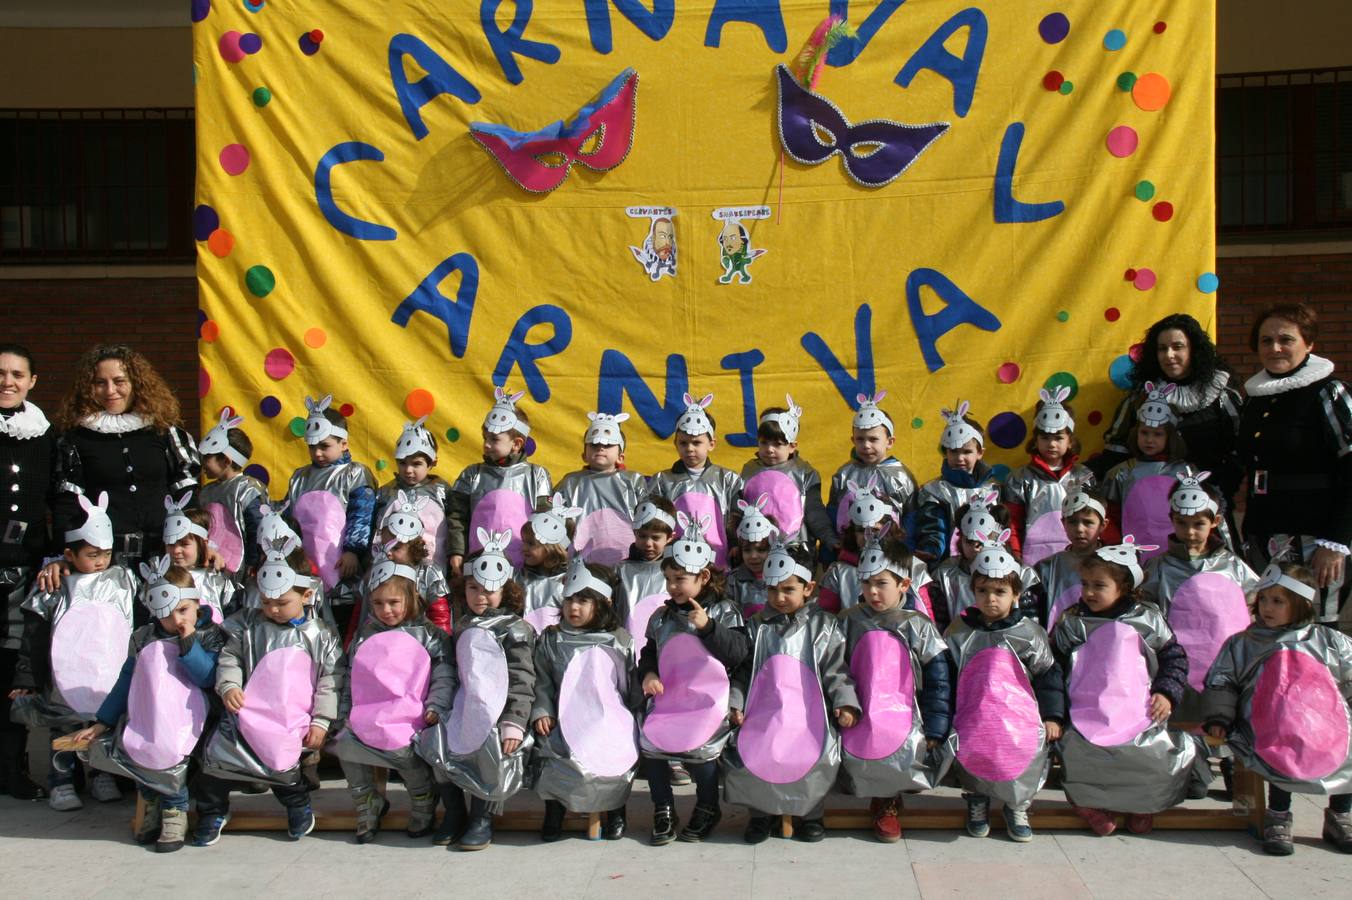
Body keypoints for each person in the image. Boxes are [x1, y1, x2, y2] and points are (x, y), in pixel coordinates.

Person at [194, 539, 343, 846]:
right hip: (245, 714)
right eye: (265, 601)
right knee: (215, 765)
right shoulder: (248, 626)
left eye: (281, 602)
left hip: (288, 719)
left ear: (306, 594)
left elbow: (331, 679)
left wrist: (322, 721)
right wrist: (230, 685)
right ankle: (212, 812)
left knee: (282, 768)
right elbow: (230, 657)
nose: (272, 609)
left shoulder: (321, 635)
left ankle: (298, 805)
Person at [73, 558, 225, 852]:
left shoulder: (210, 635)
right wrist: (102, 721)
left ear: (196, 604)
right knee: (141, 749)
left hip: (193, 718)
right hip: (149, 713)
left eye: (183, 610)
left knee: (172, 755)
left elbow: (207, 677)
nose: (176, 620)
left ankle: (174, 810)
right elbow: (127, 680)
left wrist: (190, 642)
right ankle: (152, 803)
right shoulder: (143, 637)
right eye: (166, 615)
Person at [1054, 538, 1202, 836]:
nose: (1089, 592)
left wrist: (1165, 692)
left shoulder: (1147, 619)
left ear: (1123, 586)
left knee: (1149, 754)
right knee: (1076, 752)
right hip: (1085, 710)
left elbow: (1174, 659)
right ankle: (1088, 805)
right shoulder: (1073, 621)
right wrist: (1055, 711)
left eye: (1099, 585)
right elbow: (1054, 665)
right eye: (1085, 584)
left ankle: (1142, 804)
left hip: (1139, 709)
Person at [1203, 561, 1352, 855]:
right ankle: (1279, 813)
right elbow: (1222, 680)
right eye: (1264, 599)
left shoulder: (1328, 641)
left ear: (1300, 604)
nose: (1268, 607)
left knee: (1348, 747)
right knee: (1281, 749)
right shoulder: (1243, 643)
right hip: (1267, 723)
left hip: (1324, 722)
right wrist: (1219, 715)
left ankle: (1340, 813)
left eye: (1278, 601)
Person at [8, 492, 136, 811]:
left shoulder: (121, 579)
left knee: (101, 722)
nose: (101, 561)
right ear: (70, 554)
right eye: (93, 554)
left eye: (106, 553)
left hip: (105, 669)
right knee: (64, 724)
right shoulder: (54, 585)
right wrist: (28, 676)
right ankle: (62, 781)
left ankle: (101, 774)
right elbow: (34, 635)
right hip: (65, 672)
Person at [724, 542, 858, 843]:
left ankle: (810, 813)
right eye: (773, 590)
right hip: (764, 712)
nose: (779, 598)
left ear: (808, 587)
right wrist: (736, 703)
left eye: (788, 590)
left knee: (813, 759)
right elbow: (745, 672)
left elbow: (836, 670)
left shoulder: (823, 626)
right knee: (757, 757)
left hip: (808, 715)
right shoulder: (757, 626)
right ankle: (760, 814)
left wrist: (845, 702)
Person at [43, 344, 200, 589]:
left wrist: (198, 541)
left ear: (136, 383)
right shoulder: (76, 438)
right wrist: (61, 555)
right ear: (88, 387)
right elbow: (67, 502)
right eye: (99, 383)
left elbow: (187, 491)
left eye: (119, 381)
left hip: (163, 556)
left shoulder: (162, 430)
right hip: (104, 562)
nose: (110, 390)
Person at [1237, 302, 1352, 631]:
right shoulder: (1255, 399)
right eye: (1265, 340)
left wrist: (1335, 541)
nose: (1274, 348)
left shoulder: (1329, 392)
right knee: (1270, 626)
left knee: (1312, 629)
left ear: (1309, 344)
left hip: (1317, 537)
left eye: (1286, 339)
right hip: (1265, 532)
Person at [944, 532, 1065, 842]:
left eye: (1000, 591)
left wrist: (1052, 715)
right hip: (975, 714)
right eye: (983, 591)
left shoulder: (1029, 633)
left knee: (1021, 758)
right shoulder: (958, 631)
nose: (991, 599)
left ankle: (1017, 805)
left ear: (1016, 594)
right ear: (972, 591)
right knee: (975, 753)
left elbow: (1048, 675)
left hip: (1019, 717)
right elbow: (945, 675)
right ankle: (977, 800)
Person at [637, 516, 747, 845]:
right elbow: (649, 653)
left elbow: (739, 655)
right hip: (670, 699)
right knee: (654, 747)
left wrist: (709, 627)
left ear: (704, 576)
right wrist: (649, 673)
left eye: (680, 579)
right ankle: (663, 808)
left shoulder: (726, 612)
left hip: (709, 703)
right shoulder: (662, 616)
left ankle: (707, 806)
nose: (672, 586)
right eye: (669, 579)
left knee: (701, 753)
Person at [422, 532, 534, 850]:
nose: (480, 595)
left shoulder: (515, 629)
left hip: (499, 714)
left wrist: (514, 720)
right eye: (473, 587)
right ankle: (455, 812)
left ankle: (481, 817)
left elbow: (523, 678)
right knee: (438, 746)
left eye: (489, 589)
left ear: (506, 589)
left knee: (488, 754)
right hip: (464, 705)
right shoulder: (463, 625)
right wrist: (441, 706)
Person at [838, 531, 952, 843]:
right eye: (866, 583)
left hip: (903, 714)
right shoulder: (849, 620)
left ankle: (887, 803)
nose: (873, 592)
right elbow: (833, 667)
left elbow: (938, 680)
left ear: (903, 584)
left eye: (881, 584)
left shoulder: (917, 625)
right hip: (858, 708)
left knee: (894, 754)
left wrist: (936, 727)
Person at [328, 560, 450, 844]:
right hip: (368, 716)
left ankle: (423, 800)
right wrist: (344, 714)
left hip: (412, 718)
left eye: (394, 602)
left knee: (404, 753)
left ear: (412, 597)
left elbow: (444, 675)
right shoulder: (365, 635)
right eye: (378, 603)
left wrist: (436, 706)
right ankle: (367, 801)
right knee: (346, 745)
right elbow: (352, 678)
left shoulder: (430, 635)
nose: (386, 610)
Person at [532, 559, 638, 842]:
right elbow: (541, 680)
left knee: (617, 751)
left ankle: (615, 808)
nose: (573, 608)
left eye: (583, 601)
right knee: (553, 751)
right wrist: (542, 710)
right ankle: (555, 810)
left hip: (606, 717)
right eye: (569, 600)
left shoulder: (618, 640)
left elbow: (627, 686)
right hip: (564, 716)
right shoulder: (552, 639)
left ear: (602, 603)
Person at [1095, 314, 1242, 500]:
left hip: (1205, 504)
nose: (1169, 355)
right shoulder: (1141, 397)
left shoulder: (1220, 394)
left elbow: (1238, 450)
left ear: (1194, 349)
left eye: (1177, 347)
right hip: (1148, 504)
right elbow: (1115, 452)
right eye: (1162, 349)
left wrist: (1219, 491)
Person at [1141, 474, 1258, 704]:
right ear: (1171, 518)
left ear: (1215, 521)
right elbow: (1145, 611)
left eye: (1198, 524)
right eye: (1182, 523)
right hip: (1176, 665)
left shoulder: (1232, 565)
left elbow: (1256, 600)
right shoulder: (1158, 566)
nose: (1190, 531)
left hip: (1227, 662)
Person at [0, 342, 57, 799]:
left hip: (25, 569)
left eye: (17, 374)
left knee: (15, 670)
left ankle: (10, 769)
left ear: (32, 381)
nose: (7, 381)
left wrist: (55, 557)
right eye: (1, 373)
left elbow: (56, 501)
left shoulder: (43, 434)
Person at [284, 394, 376, 637]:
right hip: (307, 564)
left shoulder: (354, 473)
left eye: (325, 446)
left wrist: (352, 551)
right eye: (313, 447)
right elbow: (289, 517)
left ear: (343, 443)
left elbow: (362, 513)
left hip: (341, 565)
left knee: (343, 621)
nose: (318, 453)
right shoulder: (299, 477)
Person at [448, 388, 552, 576]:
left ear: (517, 444)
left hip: (523, 568)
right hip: (478, 566)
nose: (486, 444)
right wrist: (456, 551)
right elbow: (457, 518)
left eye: (494, 439)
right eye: (485, 438)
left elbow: (545, 521)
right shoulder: (472, 474)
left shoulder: (537, 475)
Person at [647, 392, 743, 569]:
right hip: (676, 561)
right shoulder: (663, 480)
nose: (689, 449)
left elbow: (736, 517)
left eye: (697, 443)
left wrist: (736, 543)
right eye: (683, 443)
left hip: (718, 561)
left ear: (711, 444)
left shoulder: (728, 479)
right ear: (675, 444)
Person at [1002, 387, 1095, 565]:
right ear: (1035, 440)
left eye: (1058, 438)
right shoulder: (1020, 478)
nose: (1051, 444)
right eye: (1045, 438)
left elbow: (1094, 521)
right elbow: (1012, 522)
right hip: (1033, 561)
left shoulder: (1084, 476)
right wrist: (1014, 552)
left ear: (1070, 441)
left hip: (1077, 558)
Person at [1102, 384, 1195, 558]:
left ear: (1170, 437)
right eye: (1144, 433)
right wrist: (1114, 547)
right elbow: (1110, 516)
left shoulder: (1186, 473)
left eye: (1157, 434)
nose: (1149, 440)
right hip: (1132, 555)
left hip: (1177, 554)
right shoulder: (1121, 473)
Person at [930, 494, 1040, 633]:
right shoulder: (945, 574)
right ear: (960, 540)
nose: (977, 547)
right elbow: (940, 624)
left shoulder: (1021, 573)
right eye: (970, 541)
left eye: (984, 540)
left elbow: (1030, 625)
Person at [738, 397, 834, 553]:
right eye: (764, 442)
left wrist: (830, 539)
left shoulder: (803, 472)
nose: (769, 449)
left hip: (795, 550)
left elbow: (815, 512)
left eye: (777, 444)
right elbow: (739, 512)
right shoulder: (749, 470)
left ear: (791, 446)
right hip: (756, 550)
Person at [351, 494, 451, 640]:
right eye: (385, 546)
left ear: (413, 546)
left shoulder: (428, 572)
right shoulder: (376, 571)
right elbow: (360, 613)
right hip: (378, 641)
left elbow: (439, 614)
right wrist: (351, 642)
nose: (388, 552)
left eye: (396, 547)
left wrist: (442, 641)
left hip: (419, 642)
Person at [554, 411, 648, 566]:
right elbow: (553, 514)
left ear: (620, 457)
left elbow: (648, 516)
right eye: (594, 445)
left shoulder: (632, 481)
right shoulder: (571, 482)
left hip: (627, 559)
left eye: (608, 445)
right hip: (581, 560)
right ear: (584, 454)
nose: (600, 449)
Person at [913, 401, 999, 565]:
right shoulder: (935, 491)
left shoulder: (993, 490)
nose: (960, 458)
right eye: (954, 451)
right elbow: (933, 528)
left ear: (980, 452)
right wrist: (931, 551)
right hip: (947, 567)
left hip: (987, 566)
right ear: (945, 451)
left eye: (967, 451)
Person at [826, 390, 917, 542]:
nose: (866, 445)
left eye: (873, 439)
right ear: (853, 440)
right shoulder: (844, 475)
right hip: (851, 552)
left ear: (890, 441)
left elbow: (911, 516)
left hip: (890, 552)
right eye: (860, 439)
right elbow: (833, 513)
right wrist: (830, 550)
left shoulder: (902, 476)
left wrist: (905, 550)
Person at [372, 417, 451, 574]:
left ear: (432, 463)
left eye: (416, 464)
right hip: (391, 570)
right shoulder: (387, 492)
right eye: (402, 463)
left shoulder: (442, 492)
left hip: (432, 571)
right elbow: (375, 531)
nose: (408, 470)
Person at [196, 408, 265, 585]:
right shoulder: (206, 492)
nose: (202, 463)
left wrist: (253, 561)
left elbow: (256, 527)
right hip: (212, 568)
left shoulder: (248, 489)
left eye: (207, 458)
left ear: (226, 461)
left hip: (241, 571)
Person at [1036, 489, 1113, 630]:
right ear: (1063, 523)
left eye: (1088, 522)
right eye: (1072, 522)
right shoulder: (1048, 566)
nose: (1079, 529)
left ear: (1103, 525)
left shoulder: (1115, 565)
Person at [614, 498, 676, 650]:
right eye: (642, 536)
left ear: (670, 537)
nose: (648, 543)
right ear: (634, 533)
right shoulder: (619, 570)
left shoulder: (678, 571)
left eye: (655, 537)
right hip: (627, 648)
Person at [161, 498, 234, 622]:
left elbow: (232, 616)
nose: (176, 550)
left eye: (184, 544)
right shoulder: (159, 580)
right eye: (170, 544)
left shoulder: (216, 580)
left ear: (203, 544)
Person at [517, 494, 580, 634]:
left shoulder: (569, 582)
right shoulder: (518, 578)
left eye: (531, 543)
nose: (523, 548)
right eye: (523, 541)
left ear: (552, 547)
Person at [727, 498, 776, 617]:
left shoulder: (780, 577)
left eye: (761, 550)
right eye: (747, 550)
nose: (753, 556)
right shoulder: (734, 581)